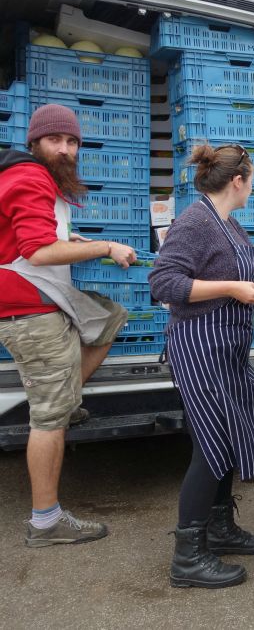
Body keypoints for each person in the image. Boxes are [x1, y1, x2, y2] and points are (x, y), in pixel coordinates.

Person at [149, 144, 254, 589]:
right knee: (211, 445)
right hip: (199, 348)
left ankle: (219, 529)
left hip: (228, 350)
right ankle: (187, 557)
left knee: (228, 440)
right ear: (237, 180)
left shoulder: (226, 222)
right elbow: (163, 282)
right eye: (253, 178)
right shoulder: (194, 221)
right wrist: (231, 287)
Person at [0, 104, 135, 547]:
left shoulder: (35, 179)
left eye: (72, 141)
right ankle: (46, 522)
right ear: (35, 142)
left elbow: (30, 236)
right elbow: (37, 252)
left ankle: (67, 396)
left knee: (109, 318)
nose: (65, 148)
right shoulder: (29, 177)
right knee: (49, 419)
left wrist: (71, 240)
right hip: (30, 307)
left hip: (41, 298)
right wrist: (105, 246)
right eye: (55, 140)